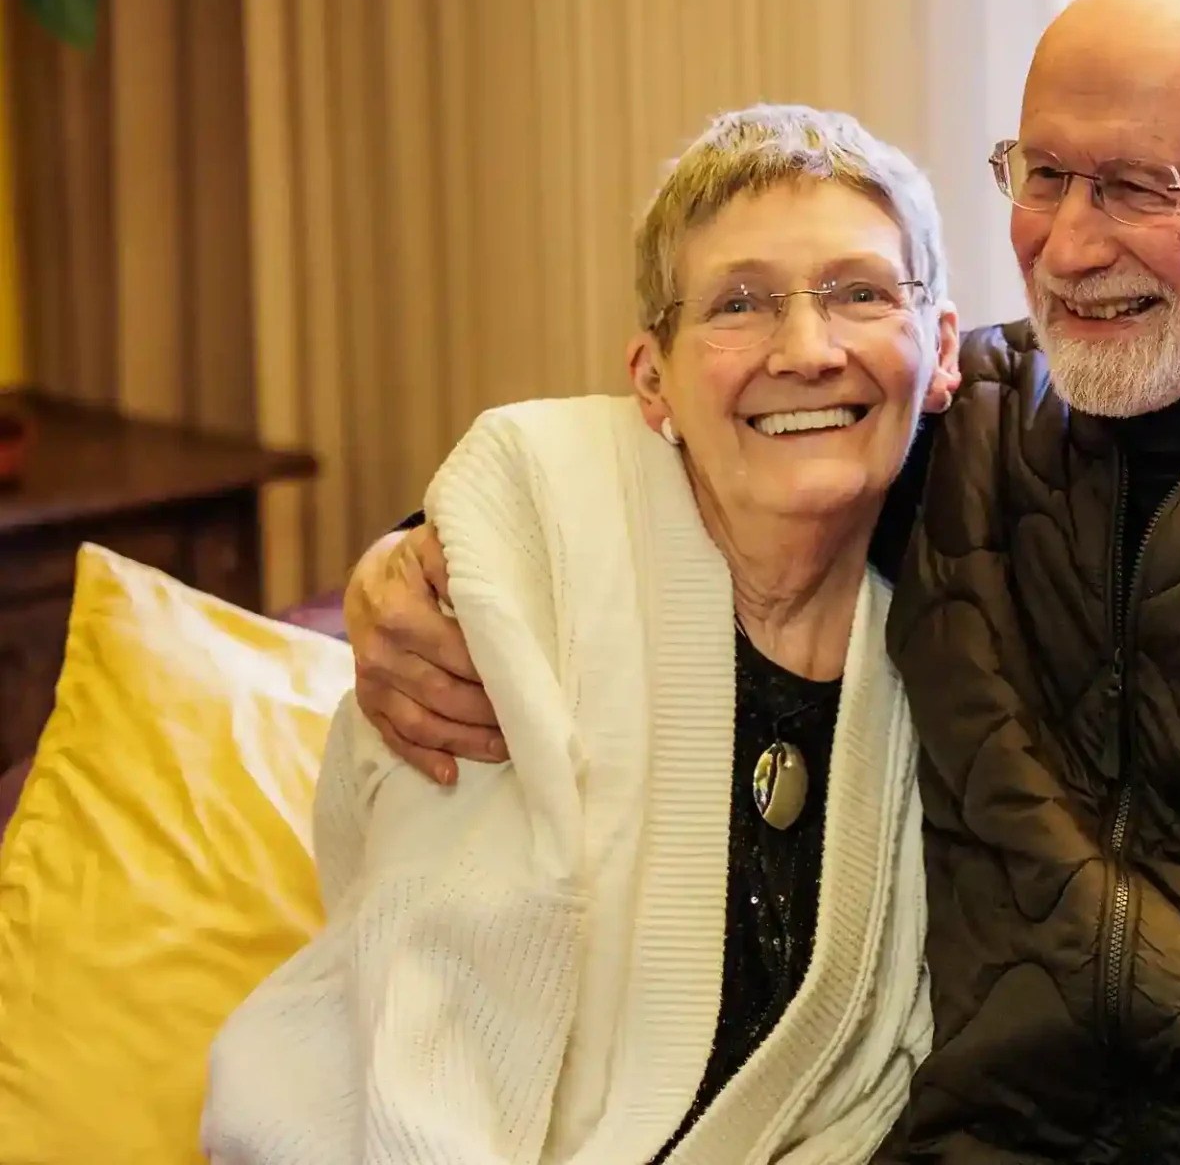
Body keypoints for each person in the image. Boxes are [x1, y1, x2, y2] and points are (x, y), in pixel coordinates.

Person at [346, 0, 1180, 1164]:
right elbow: (685, 444)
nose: (1068, 248)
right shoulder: (964, 423)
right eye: (1041, 175)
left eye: (1138, 188)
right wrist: (418, 557)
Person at [201, 105, 960, 1165]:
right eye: (738, 303)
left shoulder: (953, 641)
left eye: (861, 292)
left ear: (942, 351)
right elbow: (435, 1021)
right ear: (652, 376)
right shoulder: (545, 518)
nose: (807, 348)